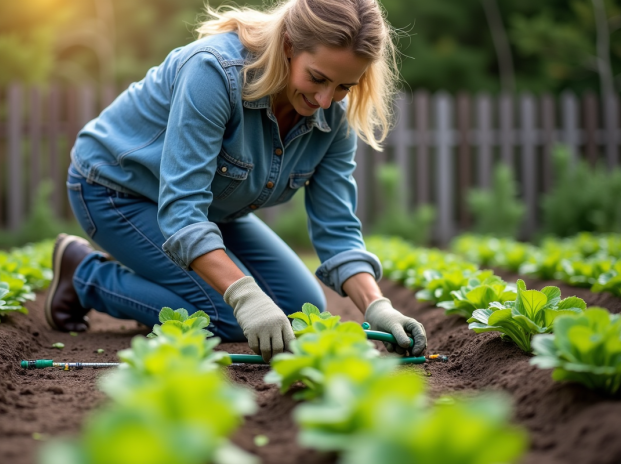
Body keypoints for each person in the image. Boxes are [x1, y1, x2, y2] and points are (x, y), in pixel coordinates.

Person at [45, 0, 427, 361]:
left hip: (213, 209)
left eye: (345, 86)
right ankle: (84, 274)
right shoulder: (214, 72)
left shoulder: (333, 119)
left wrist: (378, 306)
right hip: (117, 189)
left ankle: (155, 270)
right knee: (229, 317)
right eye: (318, 78)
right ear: (290, 46)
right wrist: (245, 296)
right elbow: (182, 211)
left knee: (296, 310)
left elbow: (337, 228)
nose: (327, 100)